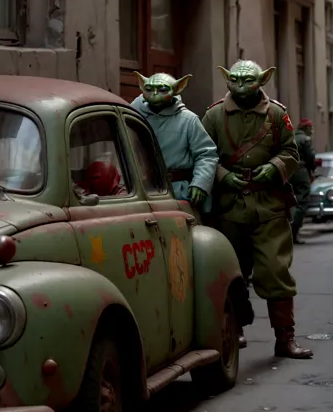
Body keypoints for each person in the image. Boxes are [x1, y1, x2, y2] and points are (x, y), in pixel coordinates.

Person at [202, 60, 313, 359]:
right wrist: (224, 177)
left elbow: (291, 152)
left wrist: (274, 168)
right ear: (226, 79)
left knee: (276, 270)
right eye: (234, 79)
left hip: (269, 205)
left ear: (262, 80)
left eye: (247, 80)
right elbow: (203, 155)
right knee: (232, 272)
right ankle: (233, 331)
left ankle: (285, 338)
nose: (240, 85)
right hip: (230, 208)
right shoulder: (213, 115)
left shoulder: (277, 113)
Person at [131, 72, 218, 211]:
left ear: (178, 88)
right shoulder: (132, 115)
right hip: (140, 189)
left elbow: (206, 154)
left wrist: (200, 183)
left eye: (163, 89)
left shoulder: (188, 120)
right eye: (149, 89)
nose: (154, 93)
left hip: (177, 191)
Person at [290, 118, 316, 245]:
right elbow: (311, 158)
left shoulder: (291, 137)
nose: (312, 131)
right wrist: (312, 171)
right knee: (302, 201)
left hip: (288, 171)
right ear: (306, 128)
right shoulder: (306, 139)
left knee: (289, 201)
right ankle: (294, 231)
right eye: (311, 128)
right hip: (301, 171)